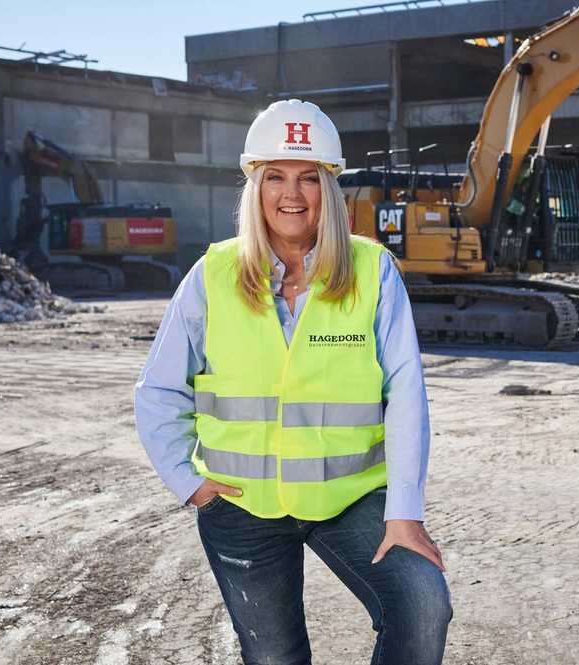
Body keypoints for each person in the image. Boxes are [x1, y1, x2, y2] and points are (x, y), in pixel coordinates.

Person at [134, 99, 452, 665]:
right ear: (254, 188)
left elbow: (405, 393)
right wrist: (189, 482)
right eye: (275, 176)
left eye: (309, 178)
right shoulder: (213, 274)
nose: (292, 194)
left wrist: (405, 509)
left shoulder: (372, 271)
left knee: (423, 604)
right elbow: (159, 389)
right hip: (241, 507)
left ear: (328, 189)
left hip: (350, 499)